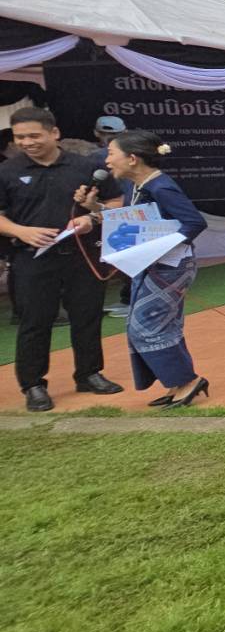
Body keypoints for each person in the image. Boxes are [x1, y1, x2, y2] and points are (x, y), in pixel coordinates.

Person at [0, 107, 122, 411]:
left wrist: (92, 219)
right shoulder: (7, 171)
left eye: (34, 135)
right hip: (32, 258)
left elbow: (114, 200)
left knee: (87, 315)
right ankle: (33, 385)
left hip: (81, 255)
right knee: (35, 321)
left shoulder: (85, 166)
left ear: (54, 133)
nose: (27, 142)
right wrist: (21, 231)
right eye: (20, 137)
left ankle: (89, 373)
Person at [76, 131, 210, 407]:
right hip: (152, 265)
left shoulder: (161, 187)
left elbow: (194, 222)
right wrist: (95, 209)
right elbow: (132, 220)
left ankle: (188, 381)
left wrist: (158, 246)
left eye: (111, 154)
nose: (107, 161)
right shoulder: (138, 186)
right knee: (158, 324)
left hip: (170, 267)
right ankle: (179, 383)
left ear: (133, 158)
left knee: (145, 325)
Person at [95, 117, 133, 319]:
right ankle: (129, 299)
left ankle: (132, 300)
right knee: (122, 259)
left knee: (129, 259)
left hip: (123, 213)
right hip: (113, 213)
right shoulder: (96, 158)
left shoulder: (94, 158)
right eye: (107, 135)